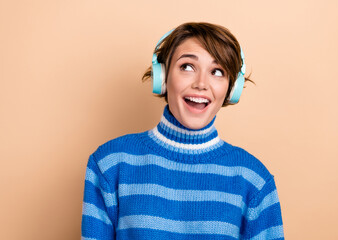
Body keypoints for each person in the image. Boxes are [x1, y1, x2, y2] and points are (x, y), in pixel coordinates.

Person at [81, 22, 284, 240]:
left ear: (230, 89)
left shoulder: (255, 180)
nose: (201, 84)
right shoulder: (109, 164)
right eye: (187, 67)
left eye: (217, 71)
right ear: (163, 78)